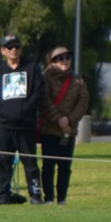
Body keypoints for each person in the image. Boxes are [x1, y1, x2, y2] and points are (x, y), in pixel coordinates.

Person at [0, 34, 45, 204]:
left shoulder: (32, 68)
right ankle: (4, 194)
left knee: (30, 162)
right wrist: (5, 113)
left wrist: (23, 111)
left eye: (17, 47)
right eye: (10, 47)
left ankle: (35, 195)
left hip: (26, 126)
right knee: (4, 161)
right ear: (3, 51)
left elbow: (38, 93)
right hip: (4, 126)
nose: (14, 50)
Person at [39, 46, 89, 204]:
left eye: (67, 57)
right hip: (50, 130)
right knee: (48, 166)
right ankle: (48, 199)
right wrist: (59, 119)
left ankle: (62, 199)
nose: (65, 61)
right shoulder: (45, 78)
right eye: (60, 58)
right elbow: (44, 101)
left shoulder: (78, 80)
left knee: (65, 167)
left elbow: (83, 102)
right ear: (53, 62)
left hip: (68, 131)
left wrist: (69, 120)